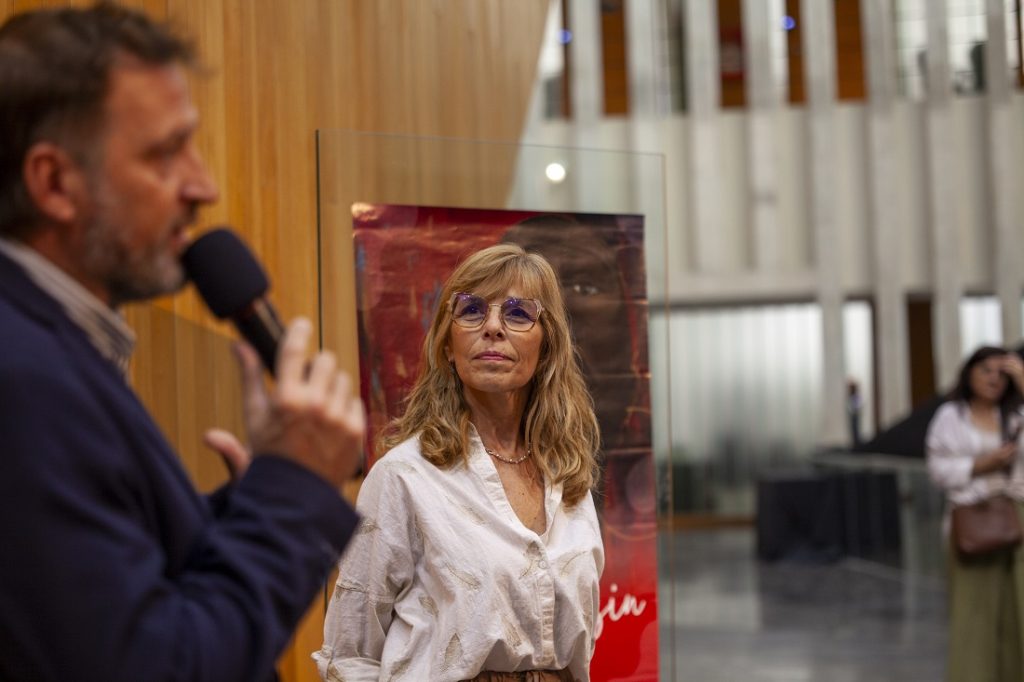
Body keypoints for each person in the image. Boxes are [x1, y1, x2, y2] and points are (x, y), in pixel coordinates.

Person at [0, 5, 364, 681]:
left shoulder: (57, 342)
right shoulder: (22, 375)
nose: (204, 186)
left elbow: (88, 588)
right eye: (165, 154)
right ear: (54, 183)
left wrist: (241, 511)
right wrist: (291, 497)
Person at [314, 244, 605, 681]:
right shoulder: (404, 477)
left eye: (518, 314)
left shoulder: (567, 475)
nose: (492, 327)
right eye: (471, 310)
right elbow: (348, 653)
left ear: (546, 347)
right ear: (448, 345)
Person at [926, 345, 1024, 681]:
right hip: (972, 519)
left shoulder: (1016, 414)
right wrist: (983, 465)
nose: (994, 379)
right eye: (985, 370)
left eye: (1002, 373)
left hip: (1017, 519)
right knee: (973, 615)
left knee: (1016, 613)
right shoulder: (951, 417)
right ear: (969, 373)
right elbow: (938, 470)